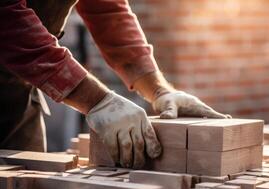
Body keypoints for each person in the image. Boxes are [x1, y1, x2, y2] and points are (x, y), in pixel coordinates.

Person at [0, 0, 230, 169]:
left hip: (16, 95)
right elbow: (7, 21)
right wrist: (97, 101)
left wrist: (158, 90)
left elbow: (108, 10)